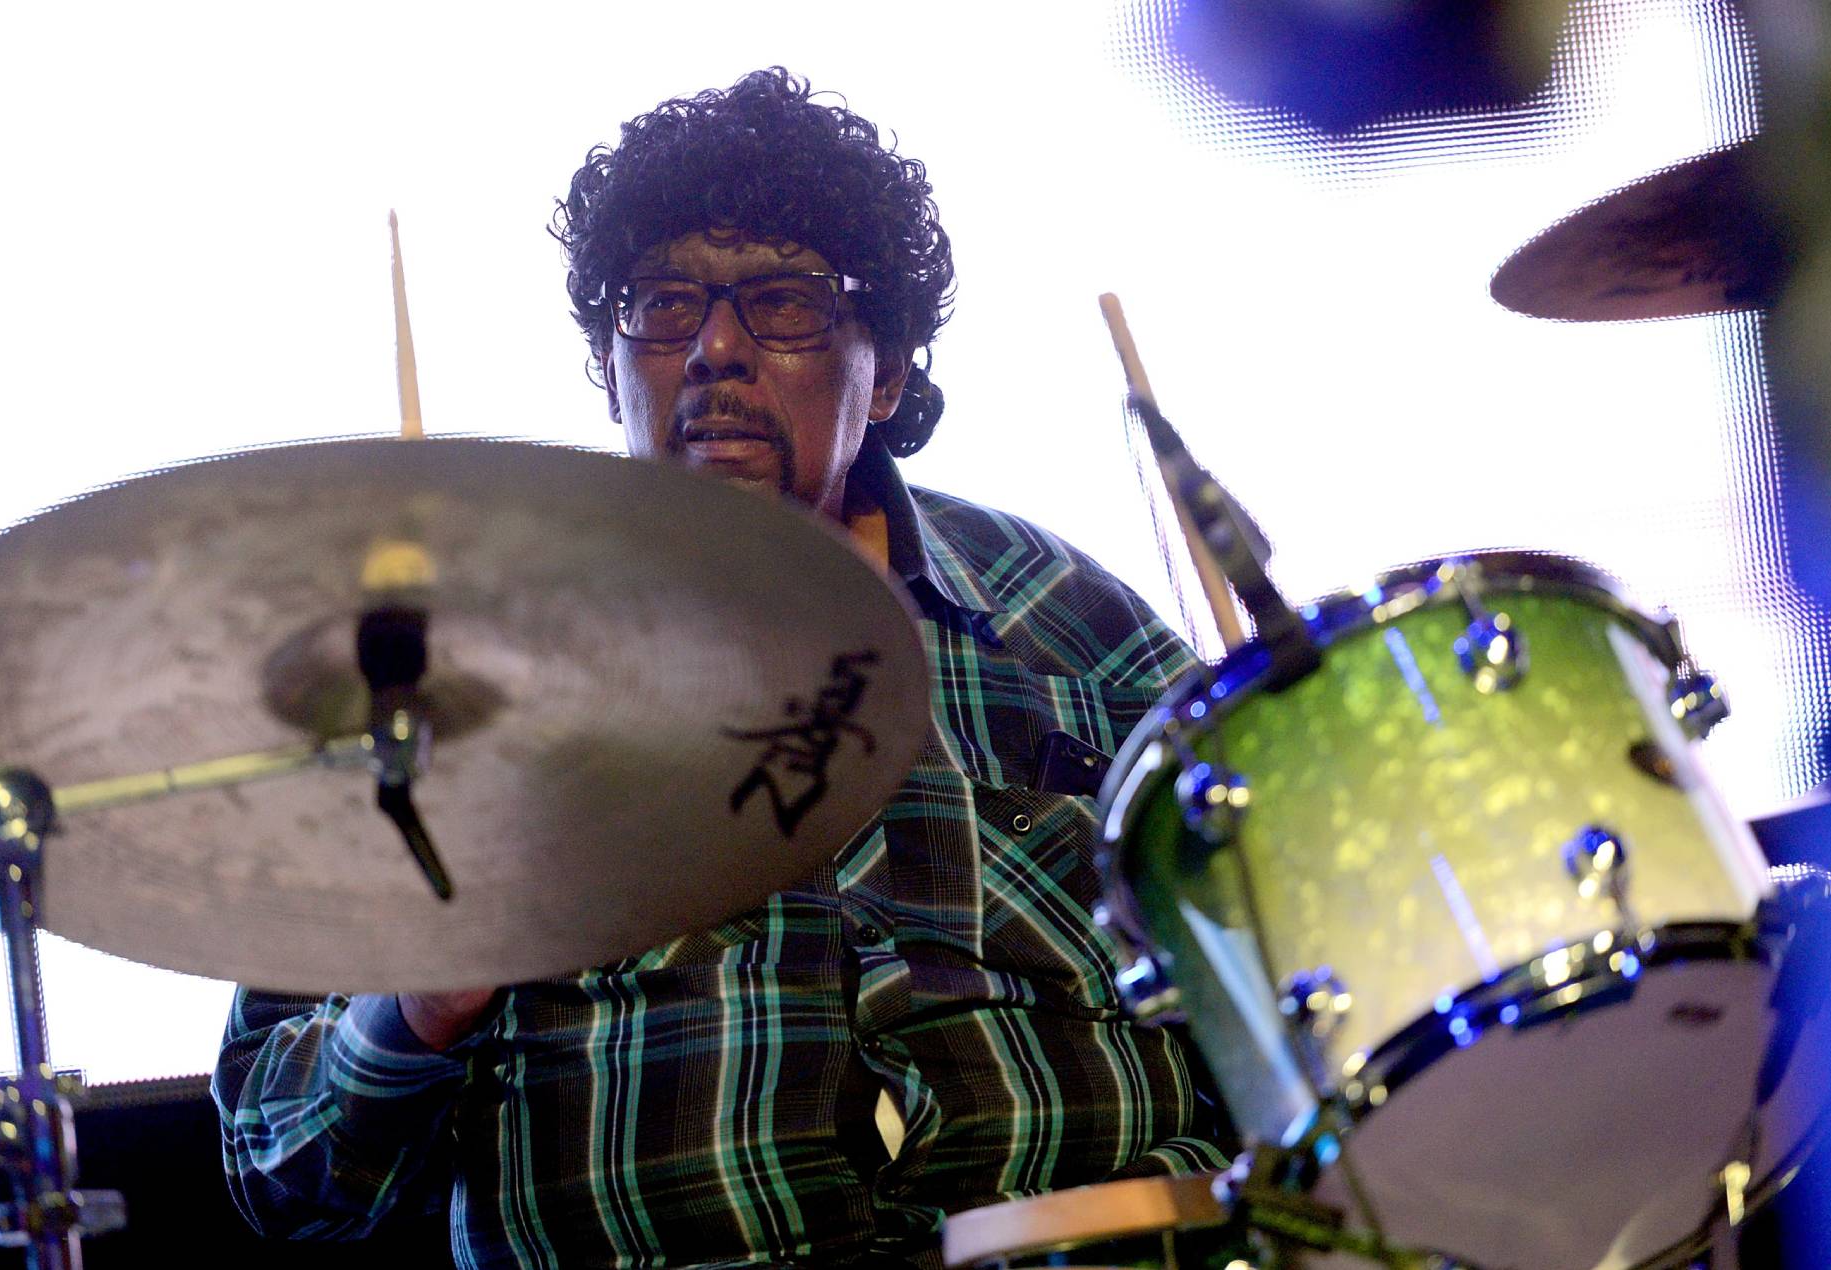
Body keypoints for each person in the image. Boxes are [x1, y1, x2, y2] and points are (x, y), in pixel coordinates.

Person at [214, 67, 1228, 1268]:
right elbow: (277, 1163)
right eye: (662, 305)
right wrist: (424, 999)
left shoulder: (1064, 618)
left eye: (783, 305)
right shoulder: (445, 679)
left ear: (887, 375)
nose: (712, 350)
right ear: (611, 367)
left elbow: (1298, 977)